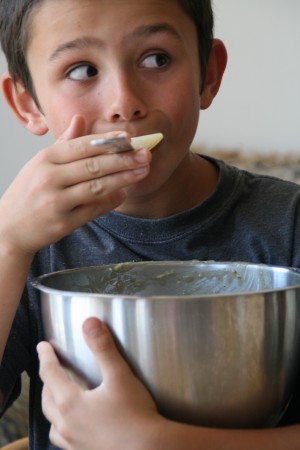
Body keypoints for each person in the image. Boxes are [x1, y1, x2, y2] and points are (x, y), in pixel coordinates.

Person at [0, 0, 299, 449]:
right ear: (27, 104)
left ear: (208, 73)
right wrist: (6, 243)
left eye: (156, 59)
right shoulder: (25, 243)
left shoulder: (290, 223)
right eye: (82, 70)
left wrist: (158, 442)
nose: (125, 104)